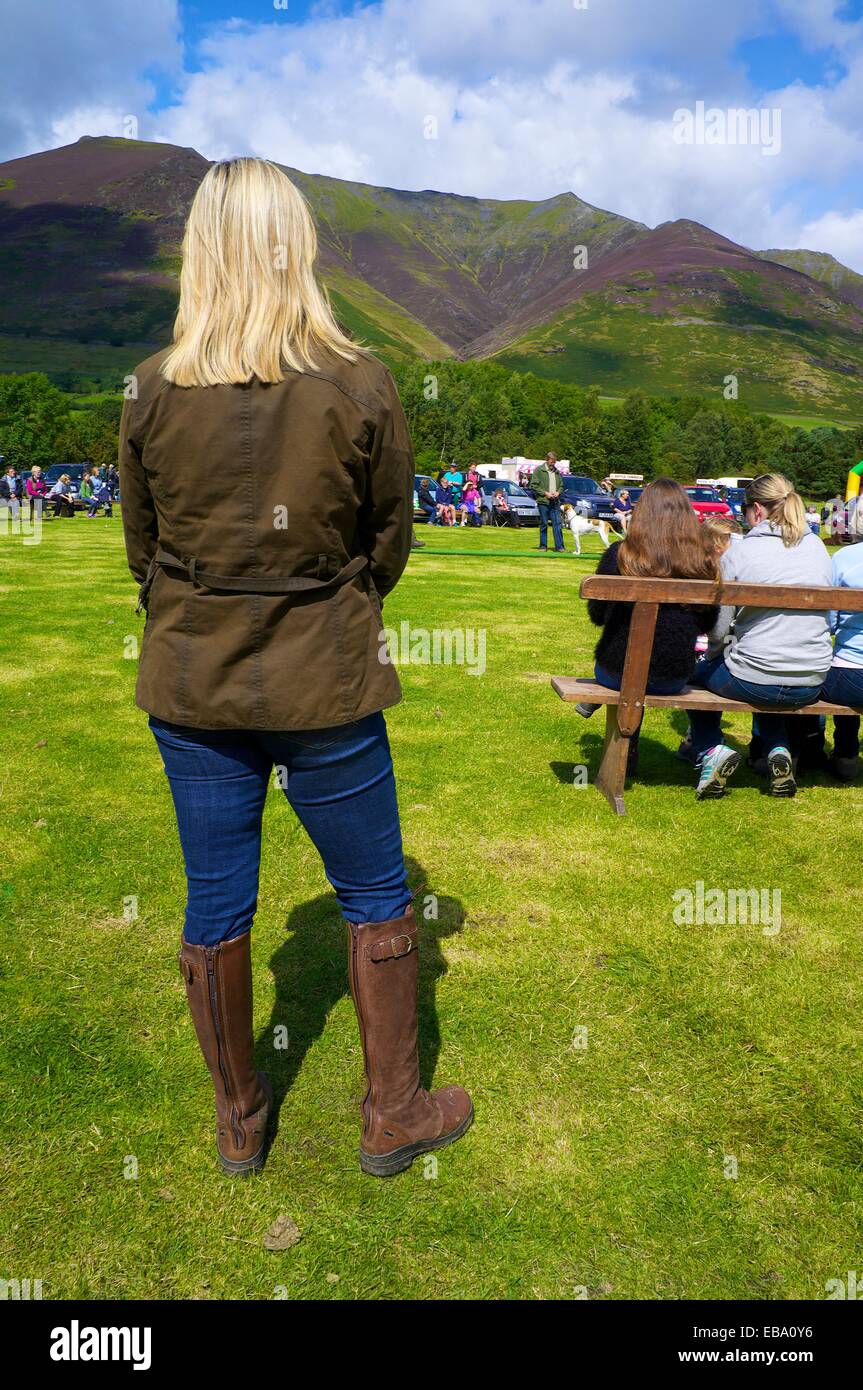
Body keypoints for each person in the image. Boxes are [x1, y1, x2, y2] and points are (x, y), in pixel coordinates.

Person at [118, 157, 471, 1180]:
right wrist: (330, 604)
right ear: (295, 246)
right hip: (324, 676)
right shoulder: (359, 381)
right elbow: (386, 540)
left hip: (194, 679)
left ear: (200, 249)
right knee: (372, 892)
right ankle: (391, 1112)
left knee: (215, 902)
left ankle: (240, 1119)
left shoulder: (150, 386)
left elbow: (142, 550)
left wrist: (200, 608)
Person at [686, 473, 833, 800]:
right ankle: (778, 748)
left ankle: (711, 747)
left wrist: (711, 655)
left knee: (696, 677)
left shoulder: (742, 552)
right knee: (761, 671)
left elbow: (719, 632)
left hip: (756, 676)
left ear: (756, 510)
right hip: (811, 680)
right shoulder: (817, 547)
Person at [577, 478, 719, 777]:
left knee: (628, 667)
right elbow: (707, 623)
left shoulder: (619, 555)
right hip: (674, 675)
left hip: (617, 672)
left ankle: (627, 752)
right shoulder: (702, 560)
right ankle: (705, 746)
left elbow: (597, 615)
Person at [821, 512, 863, 781]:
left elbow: (830, 620)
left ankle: (845, 753)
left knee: (817, 677)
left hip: (852, 673)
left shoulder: (844, 558)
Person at [531, 452, 565, 552]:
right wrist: (545, 493)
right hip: (543, 502)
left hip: (555, 502)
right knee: (544, 524)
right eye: (551, 462)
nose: (552, 464)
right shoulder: (539, 470)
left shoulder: (557, 472)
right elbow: (533, 485)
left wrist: (558, 492)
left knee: (557, 524)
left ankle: (560, 547)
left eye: (554, 463)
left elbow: (562, 485)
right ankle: (543, 546)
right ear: (547, 460)